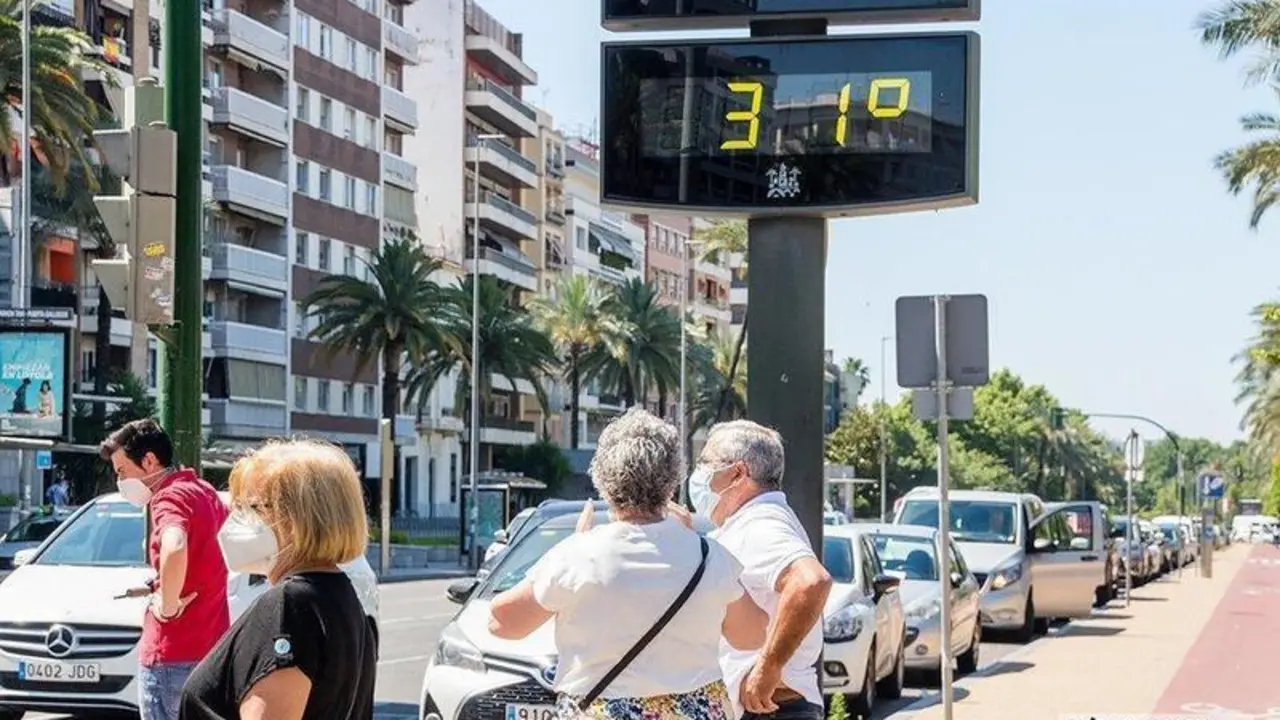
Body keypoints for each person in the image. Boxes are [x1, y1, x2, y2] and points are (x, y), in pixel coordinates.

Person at [488, 408, 768, 720]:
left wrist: (574, 546)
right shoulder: (710, 556)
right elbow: (752, 636)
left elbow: (502, 623)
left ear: (603, 480)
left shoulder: (578, 556)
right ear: (671, 482)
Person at [179, 439, 377, 720]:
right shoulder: (340, 594)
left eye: (252, 507)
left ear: (297, 517)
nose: (237, 519)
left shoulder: (289, 606)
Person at [688, 420, 834, 720]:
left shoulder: (761, 524)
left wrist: (769, 666)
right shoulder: (752, 522)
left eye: (706, 463)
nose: (699, 474)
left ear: (738, 473)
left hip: (772, 711)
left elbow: (811, 581)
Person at [102, 419, 229, 720]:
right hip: (213, 650)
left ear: (148, 461)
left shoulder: (168, 498)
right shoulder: (204, 491)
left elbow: (175, 544)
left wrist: (168, 605)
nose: (120, 481)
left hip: (171, 655)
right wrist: (159, 586)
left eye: (122, 471)